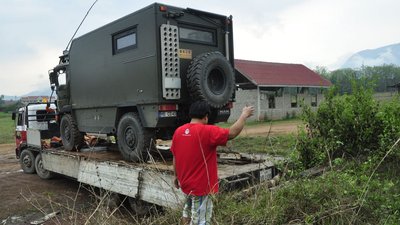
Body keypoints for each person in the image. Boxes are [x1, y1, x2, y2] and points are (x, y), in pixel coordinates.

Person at [170, 101, 254, 225]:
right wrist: (244, 115)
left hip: (186, 185)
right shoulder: (208, 131)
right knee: (201, 221)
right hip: (201, 188)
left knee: (186, 214)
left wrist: (176, 176)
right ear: (205, 116)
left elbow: (175, 156)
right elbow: (232, 133)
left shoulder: (178, 132)